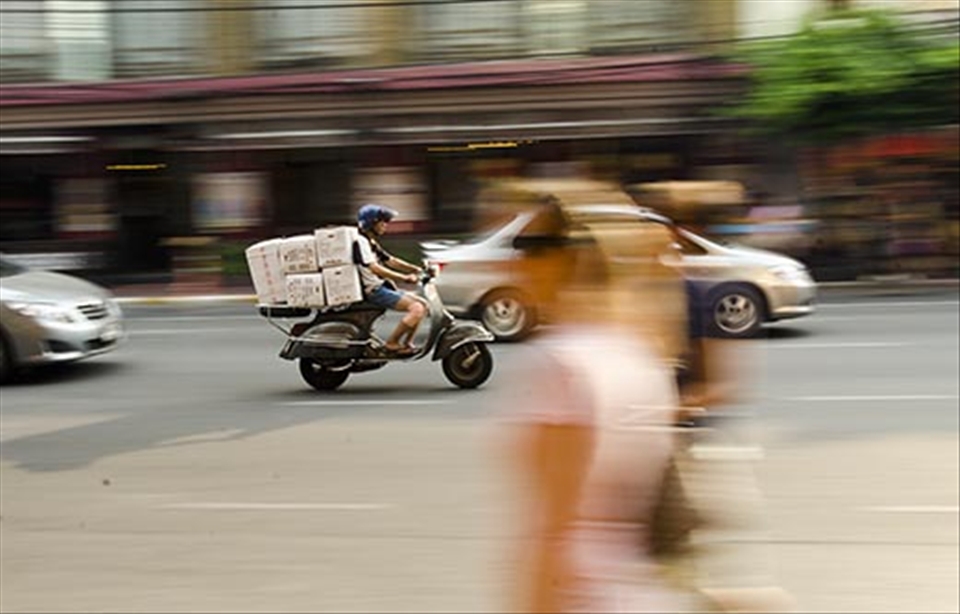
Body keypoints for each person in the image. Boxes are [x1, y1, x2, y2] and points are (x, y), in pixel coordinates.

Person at [355, 204, 426, 356]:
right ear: (371, 223)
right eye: (382, 222)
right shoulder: (360, 242)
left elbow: (390, 260)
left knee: (423, 305)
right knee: (416, 309)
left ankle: (406, 344)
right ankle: (392, 343)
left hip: (381, 287)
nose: (385, 225)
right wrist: (404, 277)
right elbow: (374, 268)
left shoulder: (370, 242)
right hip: (375, 291)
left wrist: (416, 269)